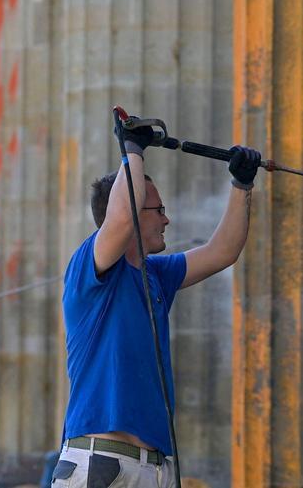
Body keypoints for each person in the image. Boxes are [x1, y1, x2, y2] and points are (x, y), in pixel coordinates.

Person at [55, 118, 261, 488]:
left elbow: (222, 251)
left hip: (155, 470)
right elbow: (120, 219)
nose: (167, 219)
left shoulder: (157, 275)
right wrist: (132, 150)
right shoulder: (91, 267)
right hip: (102, 463)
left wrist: (241, 185)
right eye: (158, 210)